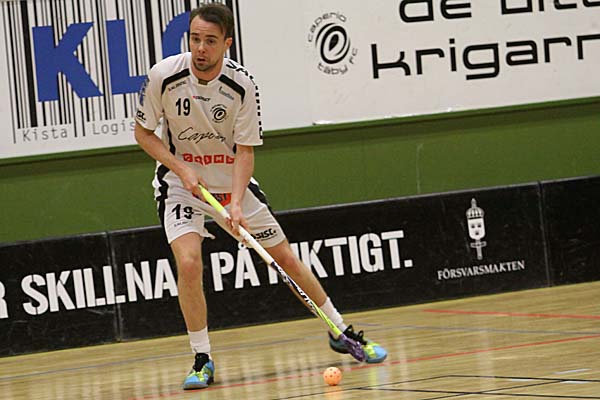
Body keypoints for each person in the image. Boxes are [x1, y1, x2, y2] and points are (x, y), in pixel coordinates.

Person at [134, 3, 387, 390]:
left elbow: (245, 151)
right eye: (195, 39)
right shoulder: (163, 77)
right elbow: (143, 133)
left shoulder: (242, 85)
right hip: (181, 186)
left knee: (284, 259)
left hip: (230, 184)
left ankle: (340, 331)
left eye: (210, 41)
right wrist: (180, 168)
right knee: (188, 262)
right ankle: (202, 358)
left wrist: (236, 203)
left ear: (227, 44)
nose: (200, 48)